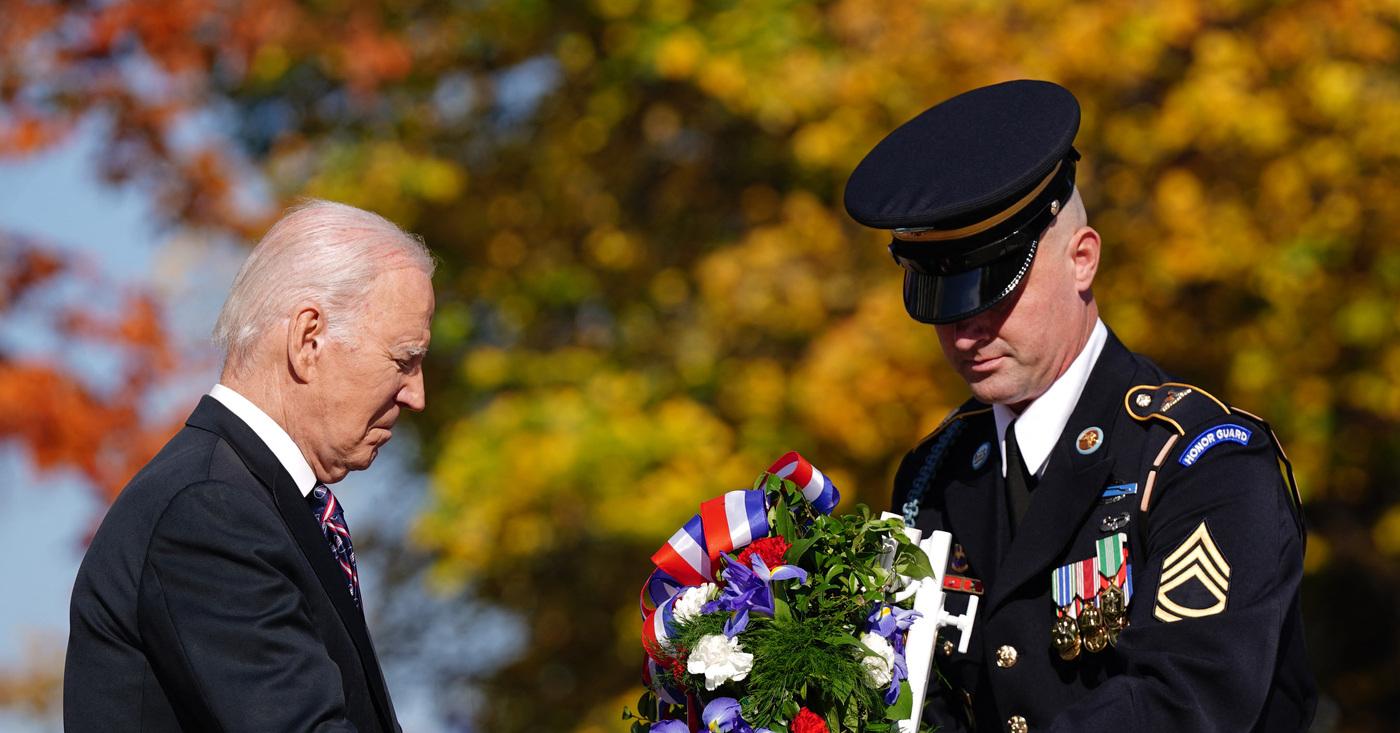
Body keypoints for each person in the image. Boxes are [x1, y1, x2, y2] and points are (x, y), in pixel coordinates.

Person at [844, 80, 1315, 732]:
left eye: (993, 292)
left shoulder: (1202, 462)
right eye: (944, 303)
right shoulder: (936, 473)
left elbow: (1182, 703)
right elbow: (916, 697)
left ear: (1082, 259)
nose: (966, 330)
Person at [64, 199, 435, 732]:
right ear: (309, 340)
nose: (416, 394)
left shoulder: (245, 500)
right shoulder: (209, 510)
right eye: (404, 360)